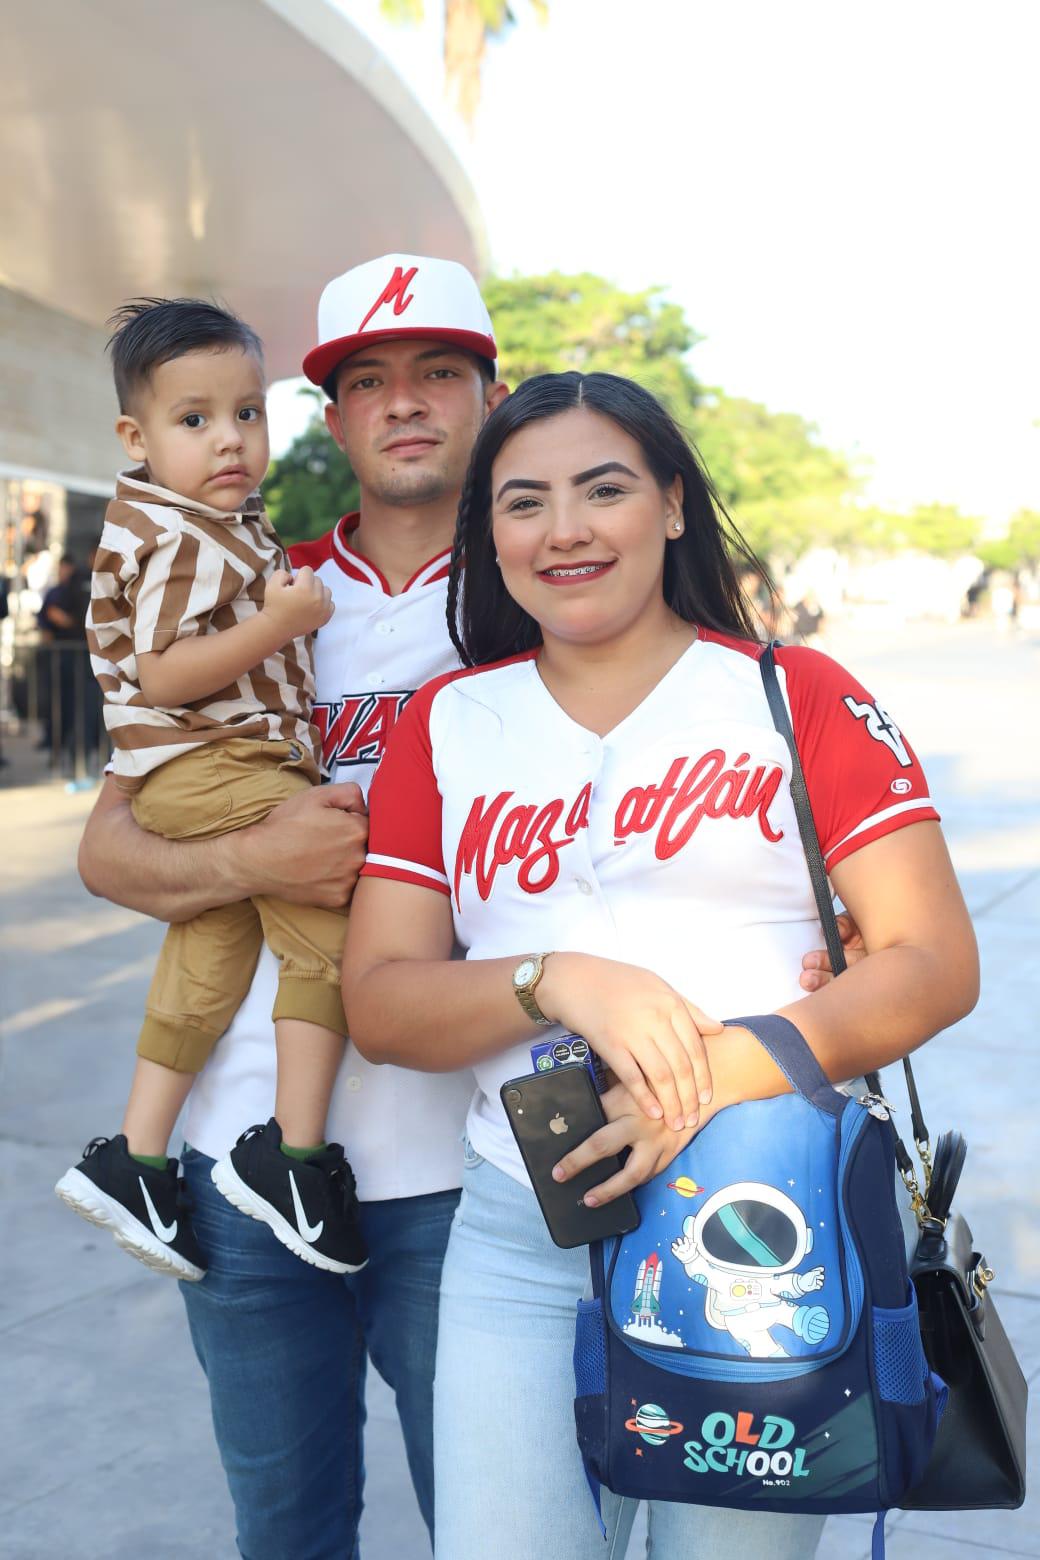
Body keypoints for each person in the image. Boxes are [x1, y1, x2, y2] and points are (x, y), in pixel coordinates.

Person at [341, 371, 979, 1560]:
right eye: (523, 502)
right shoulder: (447, 723)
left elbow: (933, 962)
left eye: (603, 488)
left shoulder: (795, 697)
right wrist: (555, 977)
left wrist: (718, 1068)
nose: (564, 529)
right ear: (489, 534)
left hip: (753, 1227)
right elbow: (379, 1003)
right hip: (519, 1234)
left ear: (673, 506)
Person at [75, 255, 506, 1557]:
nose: (408, 404)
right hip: (243, 1161)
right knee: (288, 1530)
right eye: (368, 381)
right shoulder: (263, 593)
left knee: (497, 1528)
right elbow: (111, 844)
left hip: (470, 1175)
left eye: (440, 372)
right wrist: (255, 864)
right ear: (326, 417)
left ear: (497, 393)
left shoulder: (550, 599)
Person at [55, 296, 370, 1280]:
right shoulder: (184, 533)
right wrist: (281, 624)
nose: (229, 440)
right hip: (217, 763)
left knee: (212, 948)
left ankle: (137, 1161)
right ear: (135, 436)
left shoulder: (213, 522)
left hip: (197, 770)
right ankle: (293, 1156)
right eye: (194, 420)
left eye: (247, 413)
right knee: (324, 934)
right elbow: (165, 673)